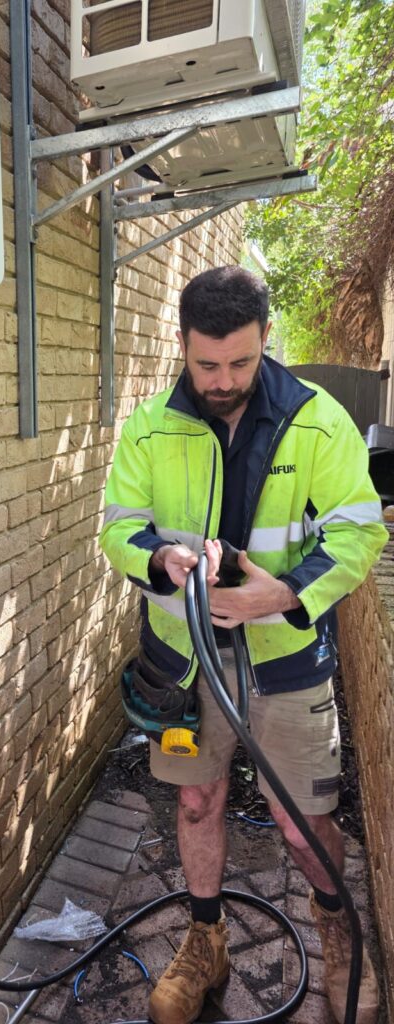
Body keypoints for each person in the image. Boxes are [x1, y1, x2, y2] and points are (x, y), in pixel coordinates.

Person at [99, 266, 386, 1024]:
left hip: (285, 662)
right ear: (183, 346)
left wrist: (285, 593)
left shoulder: (319, 422)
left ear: (265, 341)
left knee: (300, 819)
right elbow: (117, 528)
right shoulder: (150, 426)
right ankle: (206, 941)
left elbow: (360, 533)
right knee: (196, 803)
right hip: (184, 659)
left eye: (241, 363)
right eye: (206, 364)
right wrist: (158, 560)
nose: (222, 381)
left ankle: (334, 933)